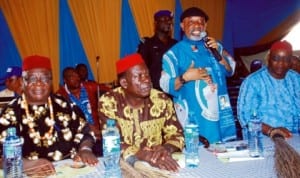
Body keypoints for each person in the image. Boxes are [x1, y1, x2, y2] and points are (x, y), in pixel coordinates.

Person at [0, 55, 98, 177]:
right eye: (32, 79)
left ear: (51, 82)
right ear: (22, 82)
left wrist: (85, 149)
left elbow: (85, 131)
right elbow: (2, 156)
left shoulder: (64, 105)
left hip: (71, 169)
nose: (39, 83)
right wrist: (26, 164)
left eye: (45, 78)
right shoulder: (10, 112)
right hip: (30, 173)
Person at [159, 7, 237, 144]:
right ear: (182, 26)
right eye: (191, 22)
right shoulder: (173, 54)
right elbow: (165, 85)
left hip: (222, 114)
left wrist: (220, 57)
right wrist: (185, 77)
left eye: (201, 22)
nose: (197, 26)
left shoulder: (216, 46)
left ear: (205, 26)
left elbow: (230, 71)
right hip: (195, 119)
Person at [98, 53, 184, 172]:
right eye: (138, 76)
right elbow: (112, 142)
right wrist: (142, 155)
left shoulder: (161, 100)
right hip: (122, 166)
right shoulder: (109, 102)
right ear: (124, 83)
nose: (147, 80)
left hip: (158, 162)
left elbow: (177, 134)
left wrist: (166, 149)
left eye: (147, 74)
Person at [237, 41, 300, 139]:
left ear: (291, 61)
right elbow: (245, 118)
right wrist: (271, 130)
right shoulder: (253, 81)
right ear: (269, 58)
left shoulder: (296, 79)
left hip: (294, 138)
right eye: (276, 59)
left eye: (286, 59)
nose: (281, 63)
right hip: (262, 141)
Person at [56, 67, 102, 156]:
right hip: (78, 136)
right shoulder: (60, 96)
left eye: (77, 75)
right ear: (65, 80)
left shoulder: (90, 86)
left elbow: (108, 91)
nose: (77, 78)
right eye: (72, 76)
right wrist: (88, 126)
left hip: (99, 133)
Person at [137, 10, 177, 91]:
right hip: (155, 91)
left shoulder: (176, 44)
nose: (168, 22)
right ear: (156, 24)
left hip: (174, 88)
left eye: (169, 20)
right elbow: (141, 68)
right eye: (164, 20)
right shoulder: (147, 44)